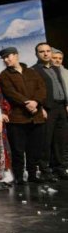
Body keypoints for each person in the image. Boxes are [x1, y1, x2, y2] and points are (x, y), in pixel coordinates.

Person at [0, 47, 47, 185]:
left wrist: (36, 102)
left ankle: (32, 174)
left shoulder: (31, 72)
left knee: (35, 148)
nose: (6, 60)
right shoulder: (5, 75)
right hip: (17, 118)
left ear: (16, 55)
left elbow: (41, 88)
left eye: (8, 56)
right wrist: (26, 103)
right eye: (4, 58)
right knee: (18, 149)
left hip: (35, 116)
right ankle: (18, 176)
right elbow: (10, 93)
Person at [32, 42, 68, 181]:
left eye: (48, 51)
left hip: (61, 107)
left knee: (60, 140)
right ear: (37, 54)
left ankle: (60, 168)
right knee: (46, 141)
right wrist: (41, 107)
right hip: (48, 108)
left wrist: (66, 103)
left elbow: (62, 87)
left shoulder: (55, 68)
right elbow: (35, 91)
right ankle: (45, 170)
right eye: (42, 51)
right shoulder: (35, 70)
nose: (46, 53)